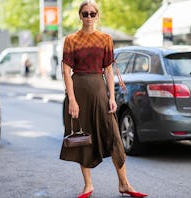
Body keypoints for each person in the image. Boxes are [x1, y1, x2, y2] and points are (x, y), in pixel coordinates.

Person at [59, 1, 148, 198]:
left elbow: (108, 70)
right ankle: (88, 185)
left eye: (92, 13)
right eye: (85, 13)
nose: (89, 17)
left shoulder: (105, 39)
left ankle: (124, 184)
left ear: (97, 16)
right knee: (82, 138)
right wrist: (72, 100)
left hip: (100, 91)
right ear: (80, 16)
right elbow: (66, 70)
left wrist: (112, 97)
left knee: (114, 136)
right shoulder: (71, 40)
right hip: (79, 90)